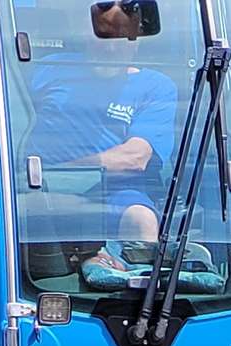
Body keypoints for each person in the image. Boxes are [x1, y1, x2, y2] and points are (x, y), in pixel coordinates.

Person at [22, 2, 178, 287]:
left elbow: (135, 157)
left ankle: (138, 300)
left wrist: (66, 171)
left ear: (136, 40)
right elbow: (13, 121)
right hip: (42, 187)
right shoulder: (49, 69)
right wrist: (41, 177)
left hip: (116, 191)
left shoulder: (155, 86)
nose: (111, 47)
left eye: (121, 38)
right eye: (104, 36)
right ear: (88, 34)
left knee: (141, 219)